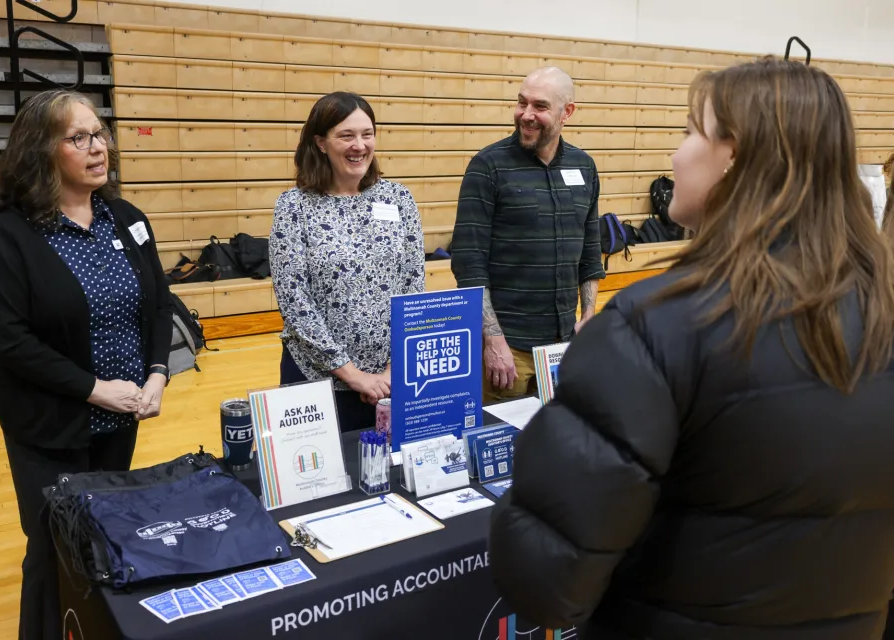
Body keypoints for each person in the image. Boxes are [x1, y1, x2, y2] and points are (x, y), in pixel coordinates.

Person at [489, 57, 894, 640]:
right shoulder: (878, 308)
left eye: (687, 131)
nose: (675, 155)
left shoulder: (655, 326)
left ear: (732, 157)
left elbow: (545, 578)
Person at [0, 89, 173, 640]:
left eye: (99, 133)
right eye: (78, 137)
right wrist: (94, 389)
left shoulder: (126, 218)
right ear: (41, 151)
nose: (96, 147)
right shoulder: (10, 235)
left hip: (121, 416)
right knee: (53, 546)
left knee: (106, 532)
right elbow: (9, 342)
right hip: (48, 422)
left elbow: (158, 304)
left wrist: (156, 373)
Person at [270, 91, 425, 430]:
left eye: (367, 134)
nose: (359, 145)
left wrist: (392, 370)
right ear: (321, 143)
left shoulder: (398, 198)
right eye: (346, 135)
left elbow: (414, 285)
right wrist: (352, 374)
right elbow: (294, 300)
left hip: (390, 380)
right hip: (316, 379)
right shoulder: (293, 206)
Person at [450, 66, 605, 404]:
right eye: (522, 103)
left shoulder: (584, 167)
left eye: (540, 106)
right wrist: (493, 342)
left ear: (568, 112)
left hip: (563, 349)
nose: (526, 115)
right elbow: (468, 264)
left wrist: (588, 318)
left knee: (555, 444)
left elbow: (590, 253)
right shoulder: (488, 167)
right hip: (508, 352)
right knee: (502, 451)